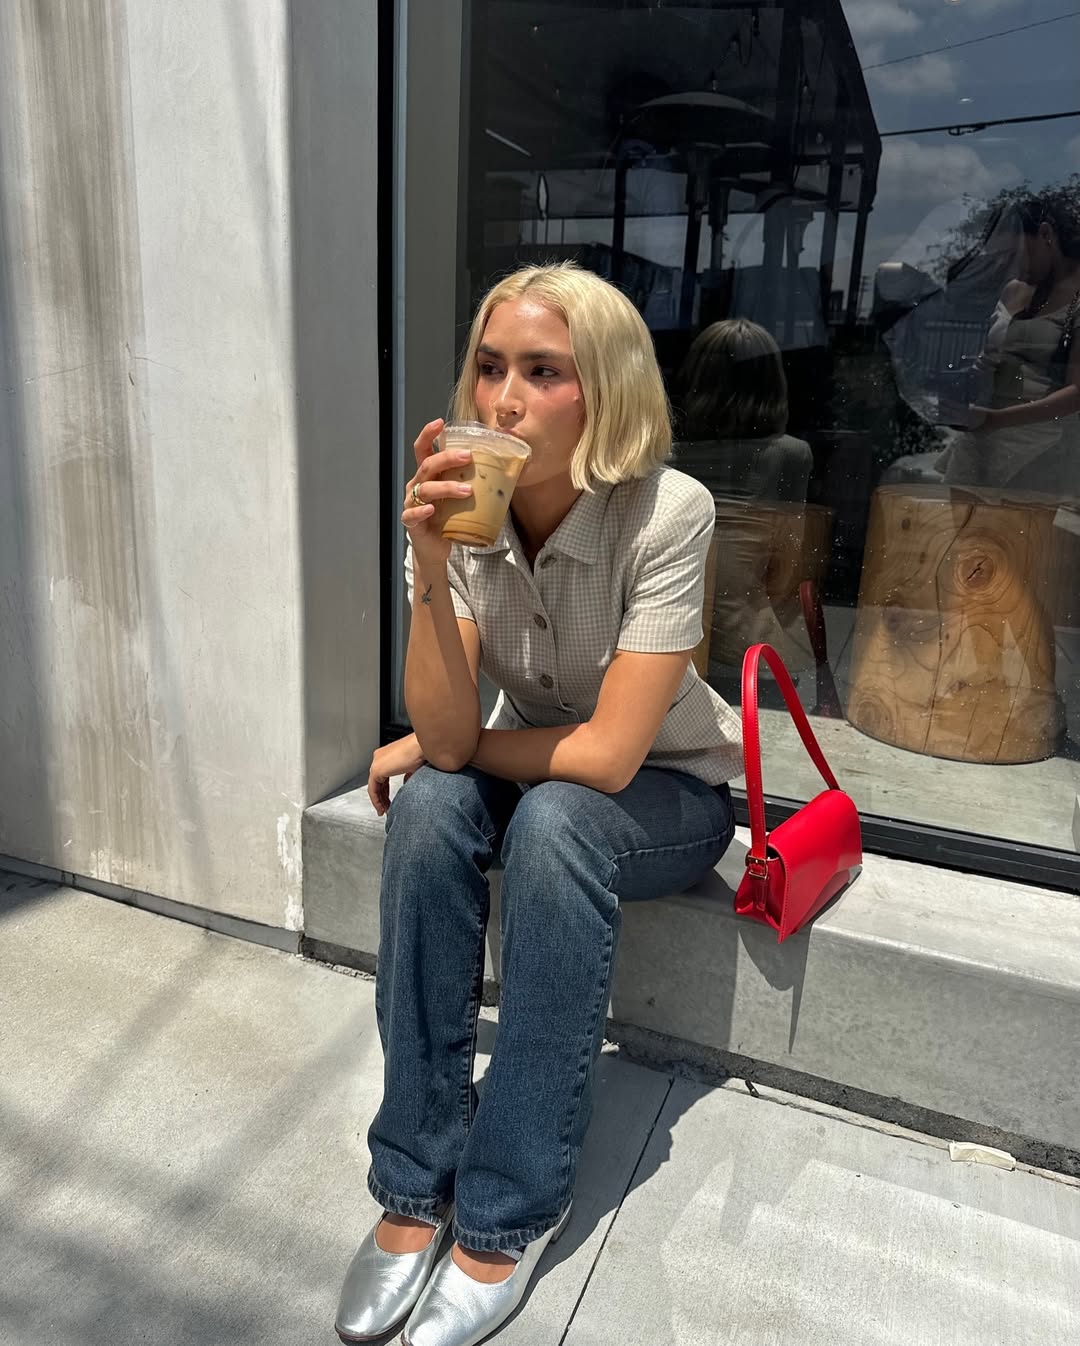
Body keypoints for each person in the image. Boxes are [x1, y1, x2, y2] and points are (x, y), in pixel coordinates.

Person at [334, 262, 742, 1346]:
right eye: (490, 367)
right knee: (432, 805)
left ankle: (510, 1208)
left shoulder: (669, 512)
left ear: (604, 388)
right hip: (542, 762)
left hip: (669, 792)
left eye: (543, 371)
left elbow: (607, 755)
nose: (504, 399)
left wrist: (447, 742)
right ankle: (413, 1179)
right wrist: (428, 562)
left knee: (555, 819)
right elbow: (448, 734)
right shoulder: (469, 515)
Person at [939, 190, 1080, 494]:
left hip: (1041, 453)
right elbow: (993, 357)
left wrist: (994, 420)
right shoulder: (1015, 290)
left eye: (1018, 254)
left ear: (1046, 235)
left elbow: (1076, 393)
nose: (1014, 266)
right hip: (982, 439)